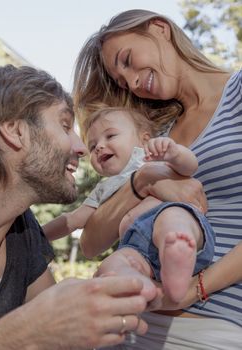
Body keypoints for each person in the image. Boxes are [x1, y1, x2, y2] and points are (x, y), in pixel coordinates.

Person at [72, 8, 242, 349]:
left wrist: (195, 289)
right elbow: (90, 243)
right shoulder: (152, 140)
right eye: (123, 82)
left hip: (214, 327)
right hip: (132, 323)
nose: (133, 82)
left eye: (128, 59)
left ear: (160, 28)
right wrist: (143, 181)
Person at [0, 64, 150, 350]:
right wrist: (23, 332)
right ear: (15, 132)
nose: (82, 147)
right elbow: (38, 325)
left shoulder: (23, 232)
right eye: (65, 125)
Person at [44, 106, 215, 303]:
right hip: (139, 250)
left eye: (110, 136)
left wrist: (175, 153)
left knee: (172, 218)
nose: (99, 146)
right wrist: (39, 235)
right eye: (92, 146)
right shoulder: (102, 189)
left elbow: (190, 166)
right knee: (111, 264)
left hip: (178, 225)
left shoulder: (148, 159)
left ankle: (178, 248)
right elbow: (73, 220)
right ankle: (145, 283)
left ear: (144, 140)